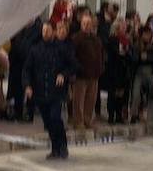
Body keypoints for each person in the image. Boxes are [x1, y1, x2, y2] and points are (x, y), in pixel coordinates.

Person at [23, 21, 76, 159]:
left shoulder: (61, 48)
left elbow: (72, 65)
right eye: (43, 30)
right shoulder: (35, 49)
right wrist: (28, 86)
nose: (45, 33)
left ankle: (62, 146)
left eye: (47, 30)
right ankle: (54, 148)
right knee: (48, 122)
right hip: (40, 92)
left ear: (53, 31)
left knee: (55, 118)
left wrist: (63, 74)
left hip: (56, 92)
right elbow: (27, 69)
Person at [71, 11, 104, 130]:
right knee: (78, 100)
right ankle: (78, 122)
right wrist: (75, 71)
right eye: (84, 23)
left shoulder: (96, 39)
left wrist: (100, 69)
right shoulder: (76, 38)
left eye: (88, 23)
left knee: (91, 100)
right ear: (81, 24)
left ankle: (87, 120)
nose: (86, 25)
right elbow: (72, 56)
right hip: (81, 74)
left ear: (92, 25)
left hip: (94, 74)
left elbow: (100, 55)